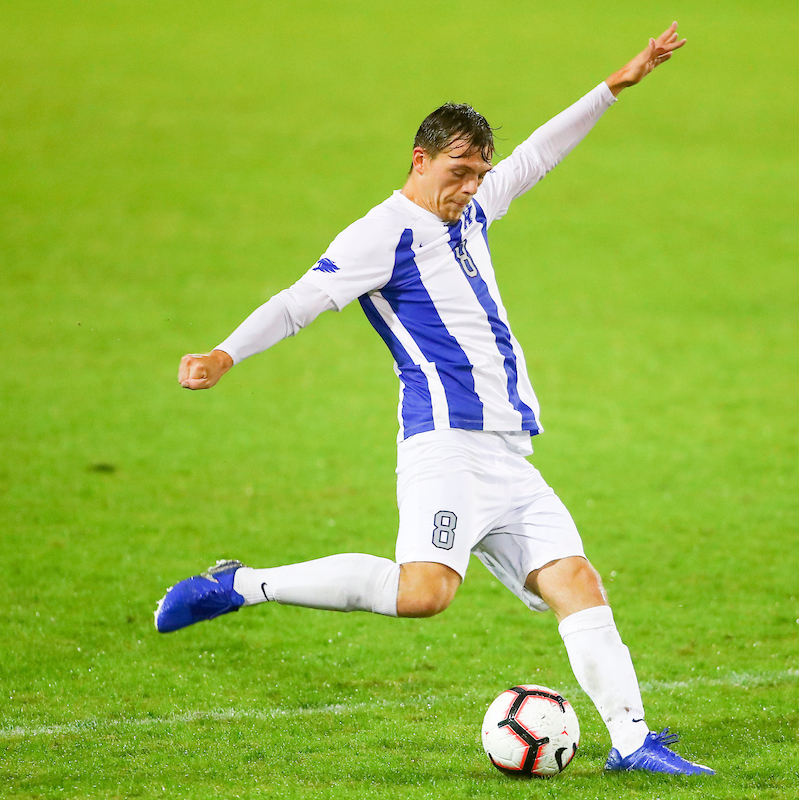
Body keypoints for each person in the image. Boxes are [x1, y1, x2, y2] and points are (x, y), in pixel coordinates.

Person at [157, 22, 711, 776]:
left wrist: (616, 85)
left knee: (577, 580)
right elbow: (301, 301)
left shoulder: (474, 211)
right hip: (444, 447)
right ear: (420, 161)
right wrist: (225, 352)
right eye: (458, 170)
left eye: (480, 171)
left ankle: (632, 743)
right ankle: (241, 584)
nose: (472, 184)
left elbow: (541, 154)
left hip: (510, 453)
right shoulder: (379, 235)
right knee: (423, 593)